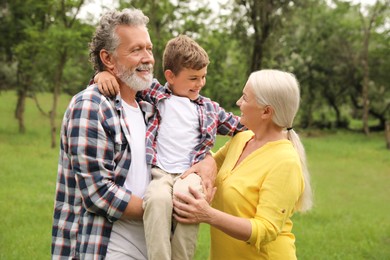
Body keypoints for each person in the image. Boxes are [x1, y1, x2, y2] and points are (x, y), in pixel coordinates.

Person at [95, 35, 246, 260]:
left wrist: (274, 126)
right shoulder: (156, 95)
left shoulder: (209, 108)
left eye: (203, 77)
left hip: (190, 174)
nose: (200, 83)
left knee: (189, 202)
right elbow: (126, 80)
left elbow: (240, 126)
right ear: (170, 76)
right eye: (193, 78)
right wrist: (103, 74)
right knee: (156, 200)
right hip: (160, 173)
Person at [173, 69, 313, 260]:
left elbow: (265, 229)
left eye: (245, 98)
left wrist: (208, 215)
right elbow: (211, 165)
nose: (239, 102)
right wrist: (205, 158)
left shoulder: (285, 162)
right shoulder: (242, 139)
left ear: (266, 111)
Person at [51, 8, 155, 259]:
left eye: (149, 49)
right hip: (105, 245)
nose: (148, 58)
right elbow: (99, 194)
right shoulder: (90, 106)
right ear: (108, 59)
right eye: (136, 50)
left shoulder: (150, 107)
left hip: (151, 241)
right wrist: (163, 209)